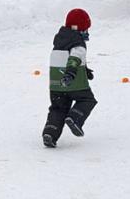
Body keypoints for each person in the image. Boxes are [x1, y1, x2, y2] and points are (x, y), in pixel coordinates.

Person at [41, 9, 97, 148]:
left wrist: (86, 70)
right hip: (72, 79)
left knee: (58, 108)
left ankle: (50, 133)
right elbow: (75, 58)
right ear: (78, 29)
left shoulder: (60, 40)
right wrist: (71, 74)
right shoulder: (78, 42)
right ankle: (75, 118)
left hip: (55, 83)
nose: (86, 32)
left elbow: (65, 57)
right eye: (85, 29)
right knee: (87, 100)